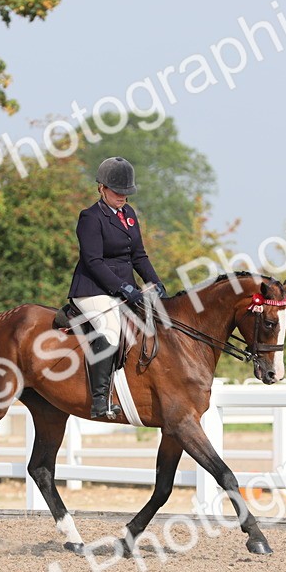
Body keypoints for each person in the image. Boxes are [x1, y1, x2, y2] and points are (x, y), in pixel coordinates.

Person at [67, 157, 168, 419]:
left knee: (155, 322)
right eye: (117, 191)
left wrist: (155, 282)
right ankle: (100, 400)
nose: (123, 196)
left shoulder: (129, 215)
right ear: (101, 188)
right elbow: (93, 261)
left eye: (126, 192)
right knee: (111, 330)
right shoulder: (90, 217)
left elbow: (139, 256)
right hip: (92, 289)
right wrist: (122, 287)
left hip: (124, 289)